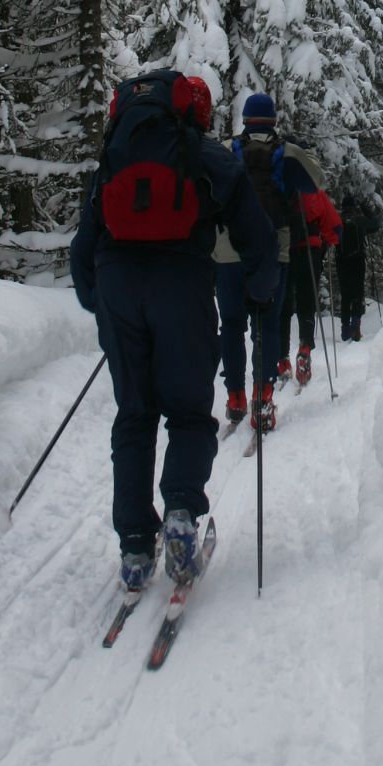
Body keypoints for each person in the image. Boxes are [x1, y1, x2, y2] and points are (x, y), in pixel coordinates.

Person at [70, 70, 279, 590]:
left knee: (135, 415)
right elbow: (254, 229)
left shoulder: (113, 157)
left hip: (119, 287)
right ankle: (182, 510)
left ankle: (136, 545)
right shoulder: (200, 153)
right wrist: (260, 286)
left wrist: (98, 300)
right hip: (182, 286)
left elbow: (84, 243)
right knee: (187, 411)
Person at [220, 91, 325, 420]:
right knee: (266, 324)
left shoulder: (225, 151)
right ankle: (262, 396)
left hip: (228, 251)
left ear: (246, 120)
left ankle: (235, 396)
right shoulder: (287, 153)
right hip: (273, 251)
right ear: (273, 120)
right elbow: (317, 182)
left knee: (232, 325)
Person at [283, 184, 342, 384]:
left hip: (284, 250)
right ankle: (305, 347)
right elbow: (334, 226)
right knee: (306, 301)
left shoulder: (278, 184)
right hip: (310, 250)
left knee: (283, 301)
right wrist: (330, 240)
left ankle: (282, 357)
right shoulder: (313, 191)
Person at [336, 193, 380, 340]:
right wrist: (364, 207)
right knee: (357, 294)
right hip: (358, 261)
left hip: (342, 262)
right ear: (354, 207)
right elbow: (375, 224)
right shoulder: (360, 220)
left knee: (345, 296)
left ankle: (345, 329)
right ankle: (355, 327)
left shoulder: (338, 220)